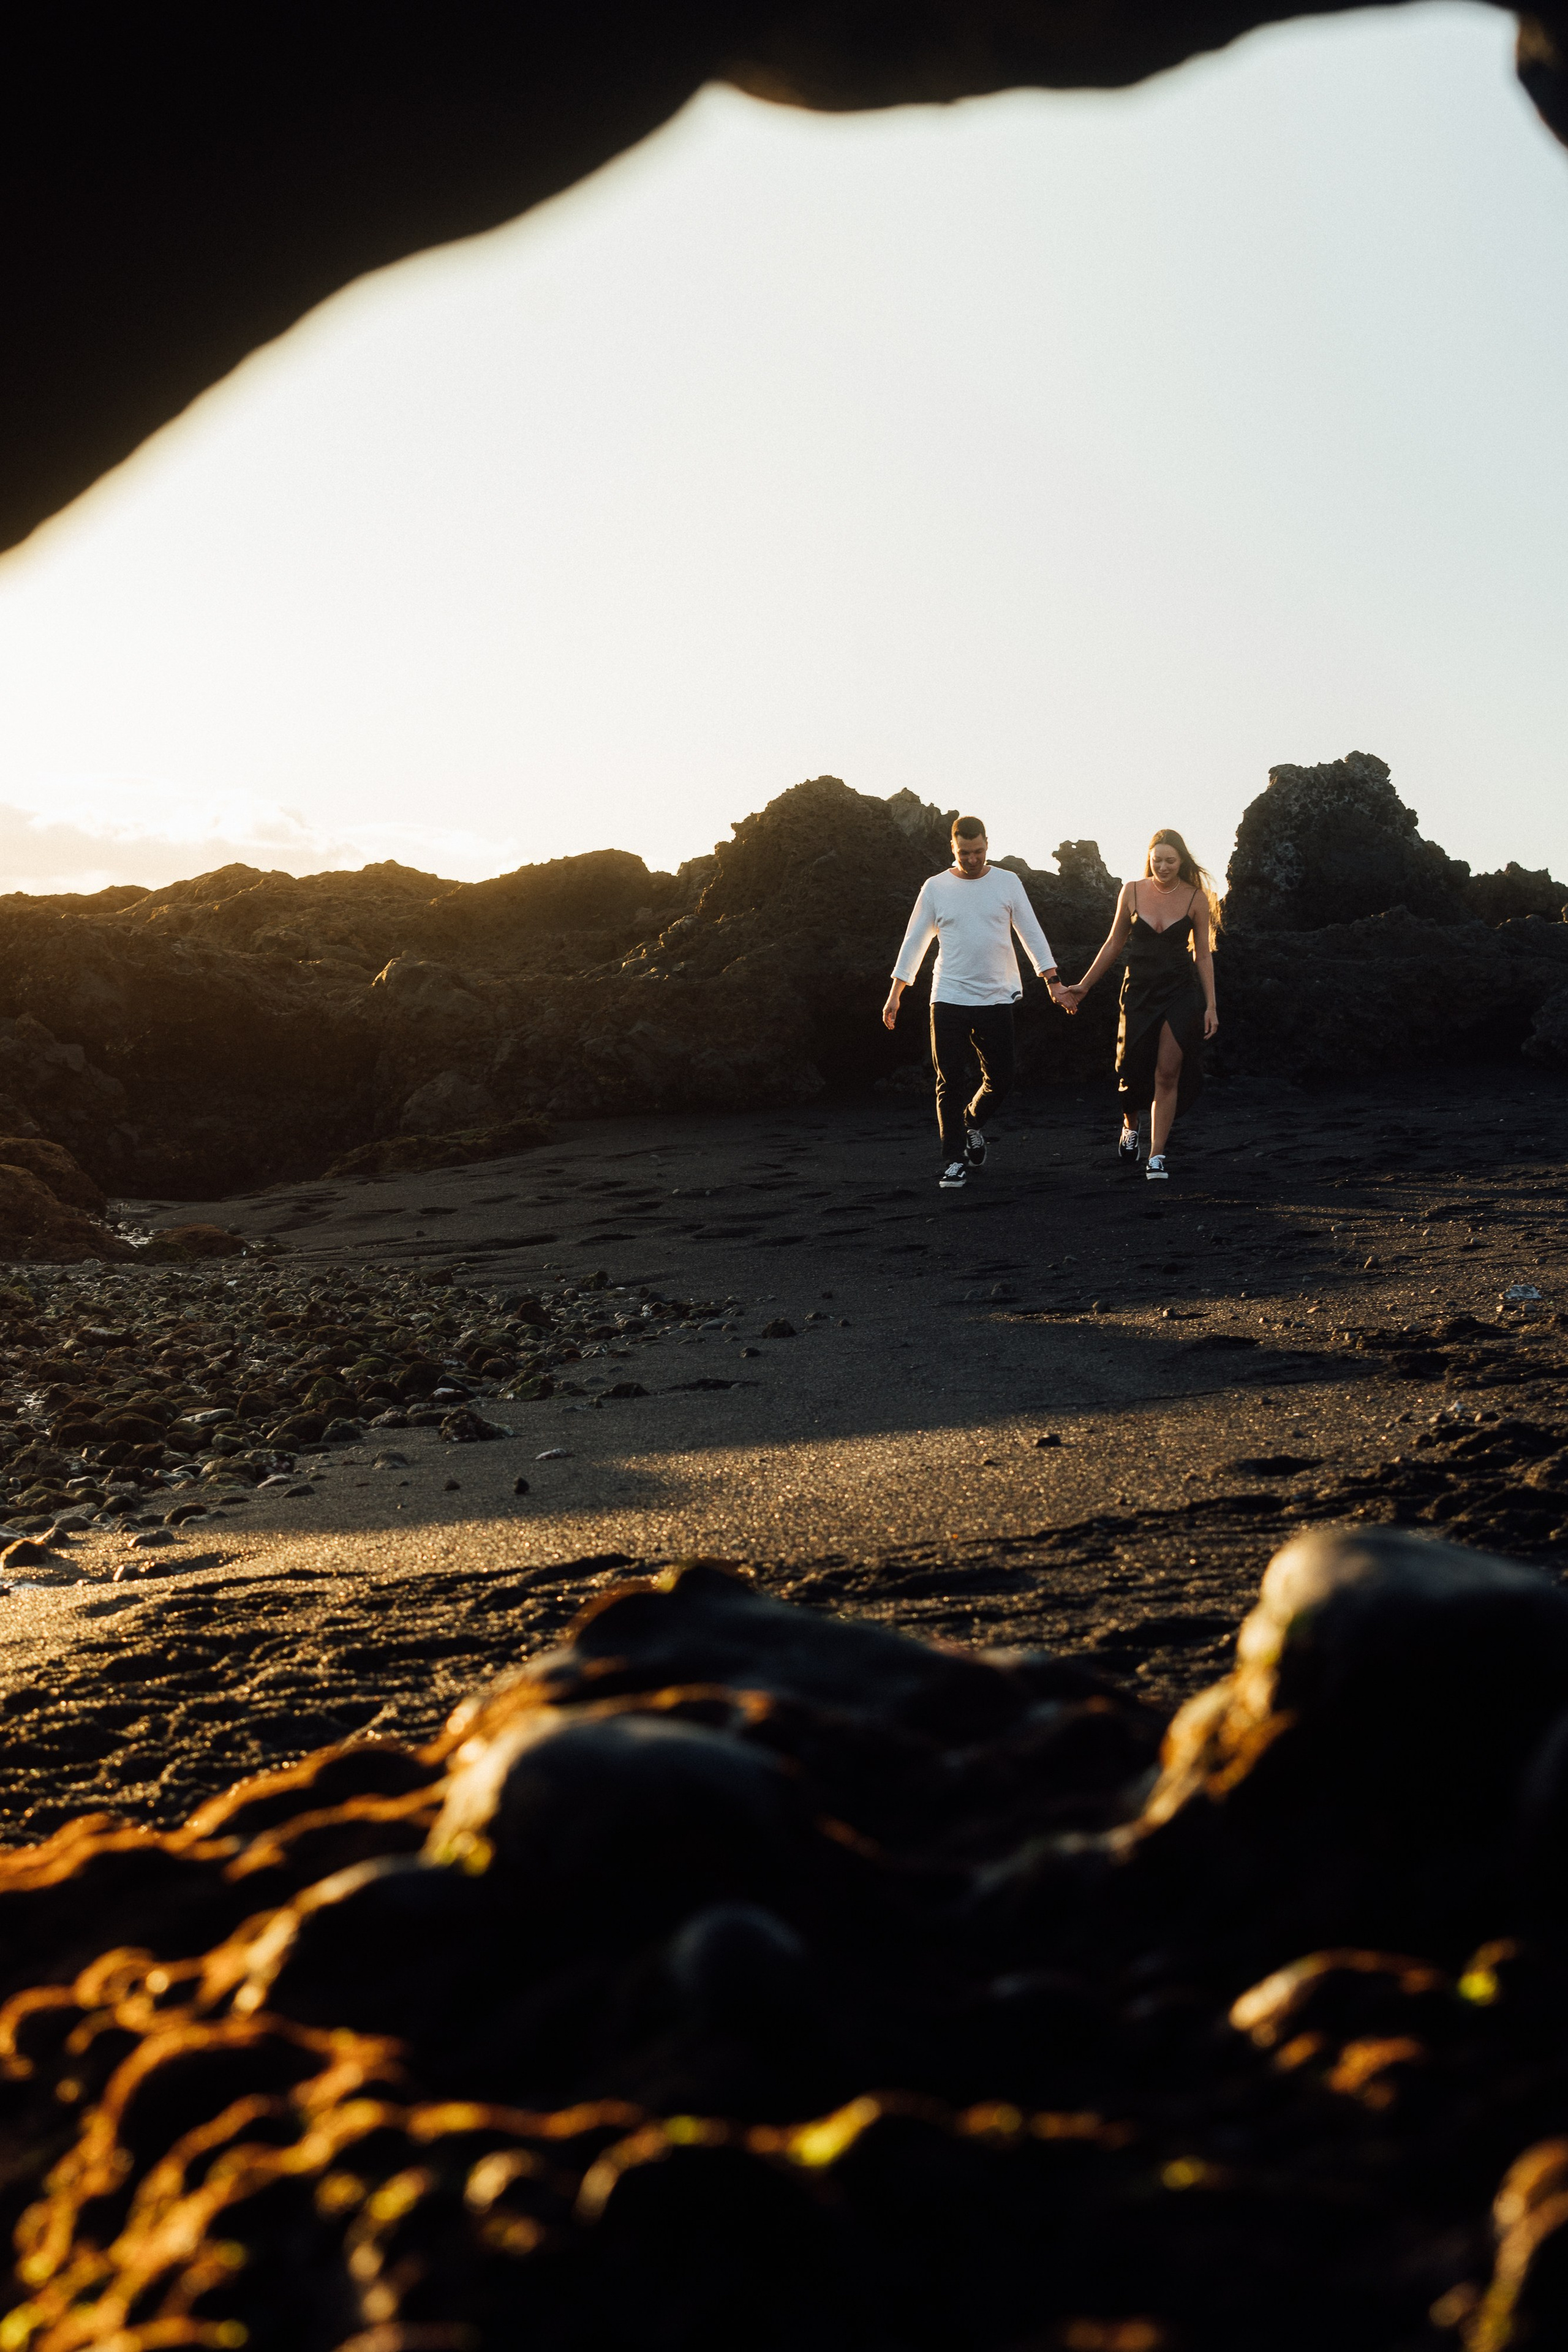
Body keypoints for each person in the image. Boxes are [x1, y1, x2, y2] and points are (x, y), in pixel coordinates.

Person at [883, 816, 1074, 1190]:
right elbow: (914, 941)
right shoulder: (935, 887)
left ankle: (970, 1122)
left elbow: (1031, 933)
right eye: (964, 853)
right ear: (953, 848)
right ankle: (954, 1160)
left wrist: (1054, 983)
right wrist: (895, 994)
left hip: (995, 996)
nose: (972, 859)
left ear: (987, 844)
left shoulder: (1008, 882)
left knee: (1001, 1079)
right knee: (949, 1081)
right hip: (949, 995)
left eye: (978, 851)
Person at [1062, 829, 1219, 1182]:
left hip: (1180, 992)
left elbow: (1204, 954)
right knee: (1130, 1071)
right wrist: (1084, 985)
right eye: (1157, 860)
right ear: (1149, 858)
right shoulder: (1132, 890)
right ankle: (1130, 1124)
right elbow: (1113, 943)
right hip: (1138, 992)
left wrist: (1211, 1006)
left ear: (1182, 861)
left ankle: (1157, 1154)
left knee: (1167, 1073)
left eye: (1170, 861)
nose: (1163, 867)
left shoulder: (1196, 898)